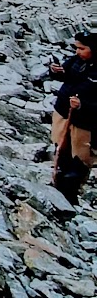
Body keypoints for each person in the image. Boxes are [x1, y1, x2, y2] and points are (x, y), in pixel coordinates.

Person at [48, 31, 96, 205]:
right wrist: (55, 71)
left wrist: (83, 105)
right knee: (61, 150)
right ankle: (58, 187)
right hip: (63, 112)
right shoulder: (76, 61)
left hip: (86, 123)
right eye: (77, 48)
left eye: (82, 48)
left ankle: (71, 194)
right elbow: (64, 75)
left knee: (80, 159)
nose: (78, 52)